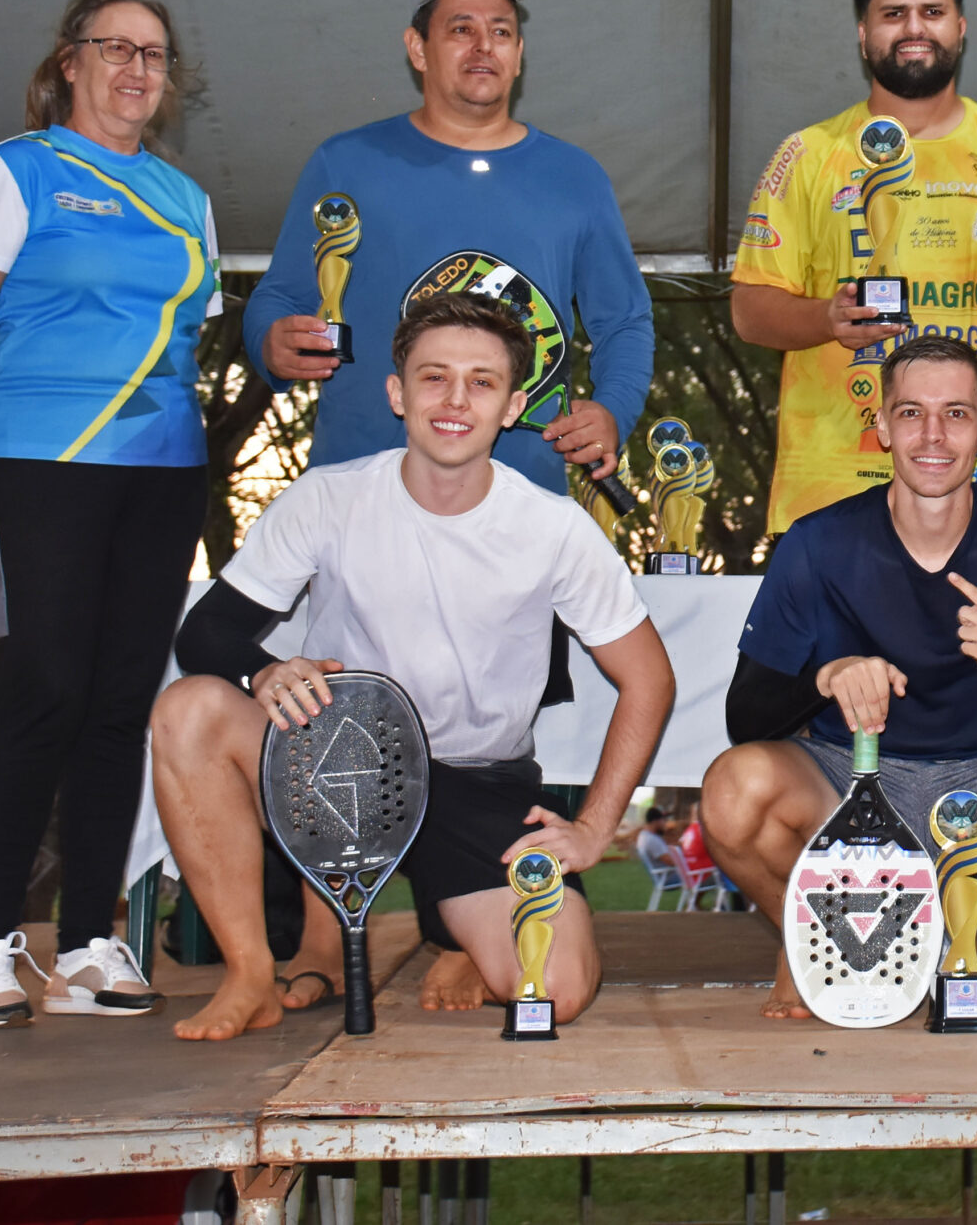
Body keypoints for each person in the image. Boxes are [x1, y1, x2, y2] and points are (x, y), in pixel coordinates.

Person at [244, 0, 655, 1007]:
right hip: (362, 499)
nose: (483, 48)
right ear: (418, 48)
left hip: (512, 502)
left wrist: (615, 405)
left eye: (503, 31)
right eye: (461, 29)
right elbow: (285, 295)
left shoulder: (571, 175)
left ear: (521, 54)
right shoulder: (348, 160)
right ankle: (298, 948)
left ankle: (455, 921)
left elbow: (622, 318)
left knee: (484, 729)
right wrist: (272, 337)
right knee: (322, 718)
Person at [152, 294, 675, 1040]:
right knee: (189, 710)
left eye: (482, 382)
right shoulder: (327, 499)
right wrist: (264, 670)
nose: (456, 400)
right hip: (341, 769)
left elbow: (648, 678)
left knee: (554, 992)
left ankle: (457, 934)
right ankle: (249, 974)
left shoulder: (553, 527)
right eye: (434, 378)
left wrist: (593, 828)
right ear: (398, 394)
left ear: (514, 404)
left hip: (478, 781)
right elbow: (206, 636)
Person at [0, 0, 219, 1030]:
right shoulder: (12, 170)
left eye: (155, 54)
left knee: (121, 701)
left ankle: (89, 942)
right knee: (41, 690)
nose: (137, 69)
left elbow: (187, 338)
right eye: (116, 47)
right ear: (70, 62)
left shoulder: (186, 199)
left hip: (164, 469)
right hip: (39, 461)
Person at [700, 335, 977, 1018]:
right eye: (911, 413)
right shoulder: (816, 543)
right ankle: (806, 939)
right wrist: (827, 676)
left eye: (956, 413)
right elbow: (746, 720)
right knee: (733, 791)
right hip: (855, 783)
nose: (933, 435)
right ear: (881, 427)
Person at [730, 0, 977, 531]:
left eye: (932, 11)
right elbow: (749, 309)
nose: (914, 28)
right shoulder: (807, 155)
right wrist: (827, 319)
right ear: (862, 32)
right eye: (893, 14)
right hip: (835, 490)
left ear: (961, 25)